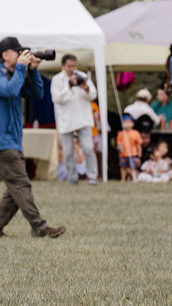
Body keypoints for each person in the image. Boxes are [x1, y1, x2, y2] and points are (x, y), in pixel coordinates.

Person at [0, 38, 66, 238]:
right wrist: (21, 68)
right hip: (3, 143)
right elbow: (10, 91)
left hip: (12, 140)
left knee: (14, 191)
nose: (21, 55)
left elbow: (37, 93)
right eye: (17, 51)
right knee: (21, 185)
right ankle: (39, 227)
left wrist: (34, 70)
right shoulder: (4, 76)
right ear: (4, 55)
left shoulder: (14, 75)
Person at [50, 53, 99, 185]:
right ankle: (72, 178)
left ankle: (92, 177)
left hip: (83, 118)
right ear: (63, 66)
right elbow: (57, 99)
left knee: (88, 148)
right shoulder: (57, 80)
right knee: (68, 152)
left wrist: (86, 87)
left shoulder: (82, 76)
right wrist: (69, 86)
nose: (72, 68)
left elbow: (93, 95)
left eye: (74, 65)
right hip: (65, 120)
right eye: (69, 66)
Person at [116, 115, 142, 181]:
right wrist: (119, 149)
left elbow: (139, 145)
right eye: (125, 122)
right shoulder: (120, 134)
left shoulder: (135, 133)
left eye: (129, 122)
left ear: (132, 124)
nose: (127, 124)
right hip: (123, 154)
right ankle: (123, 179)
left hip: (133, 154)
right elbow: (118, 144)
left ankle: (134, 178)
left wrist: (139, 155)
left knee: (132, 168)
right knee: (122, 167)